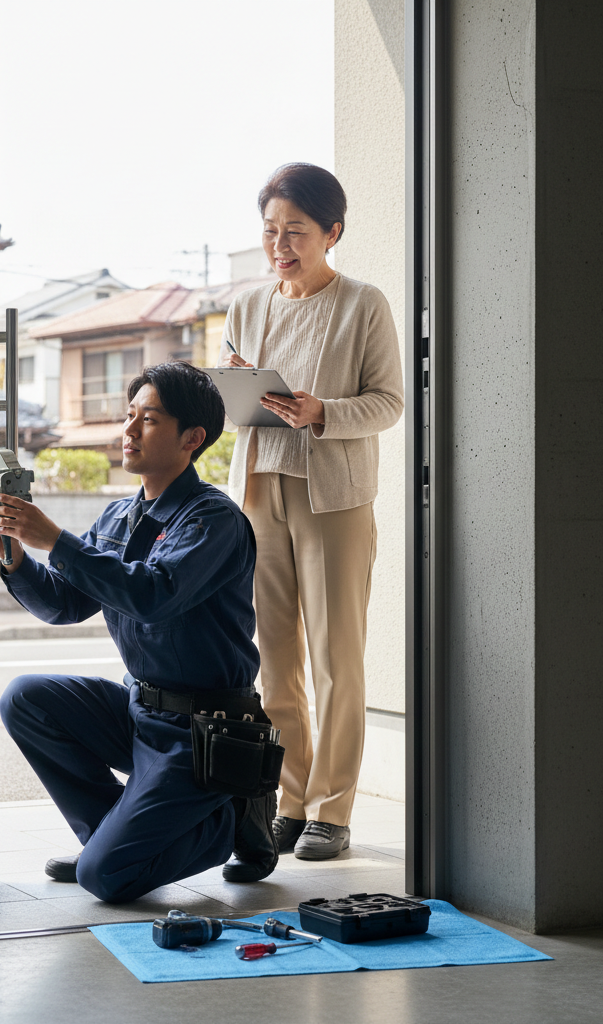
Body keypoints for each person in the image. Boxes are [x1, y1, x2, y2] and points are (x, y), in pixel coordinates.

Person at [0, 361, 278, 903]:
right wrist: (15, 556)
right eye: (129, 415)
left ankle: (230, 817)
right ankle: (108, 837)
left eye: (150, 419)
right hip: (141, 713)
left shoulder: (213, 519)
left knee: (104, 879)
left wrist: (58, 541)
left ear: (192, 438)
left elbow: (154, 595)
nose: (130, 429)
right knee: (25, 698)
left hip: (202, 731)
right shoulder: (118, 516)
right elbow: (64, 604)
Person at [221, 163, 404, 860]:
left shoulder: (363, 304)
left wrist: (321, 411)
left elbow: (388, 402)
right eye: (271, 230)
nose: (280, 245)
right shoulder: (247, 307)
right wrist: (235, 393)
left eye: (295, 231)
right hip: (259, 491)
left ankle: (332, 809)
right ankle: (290, 801)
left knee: (336, 658)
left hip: (334, 498)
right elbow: (234, 403)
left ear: (332, 232)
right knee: (275, 659)